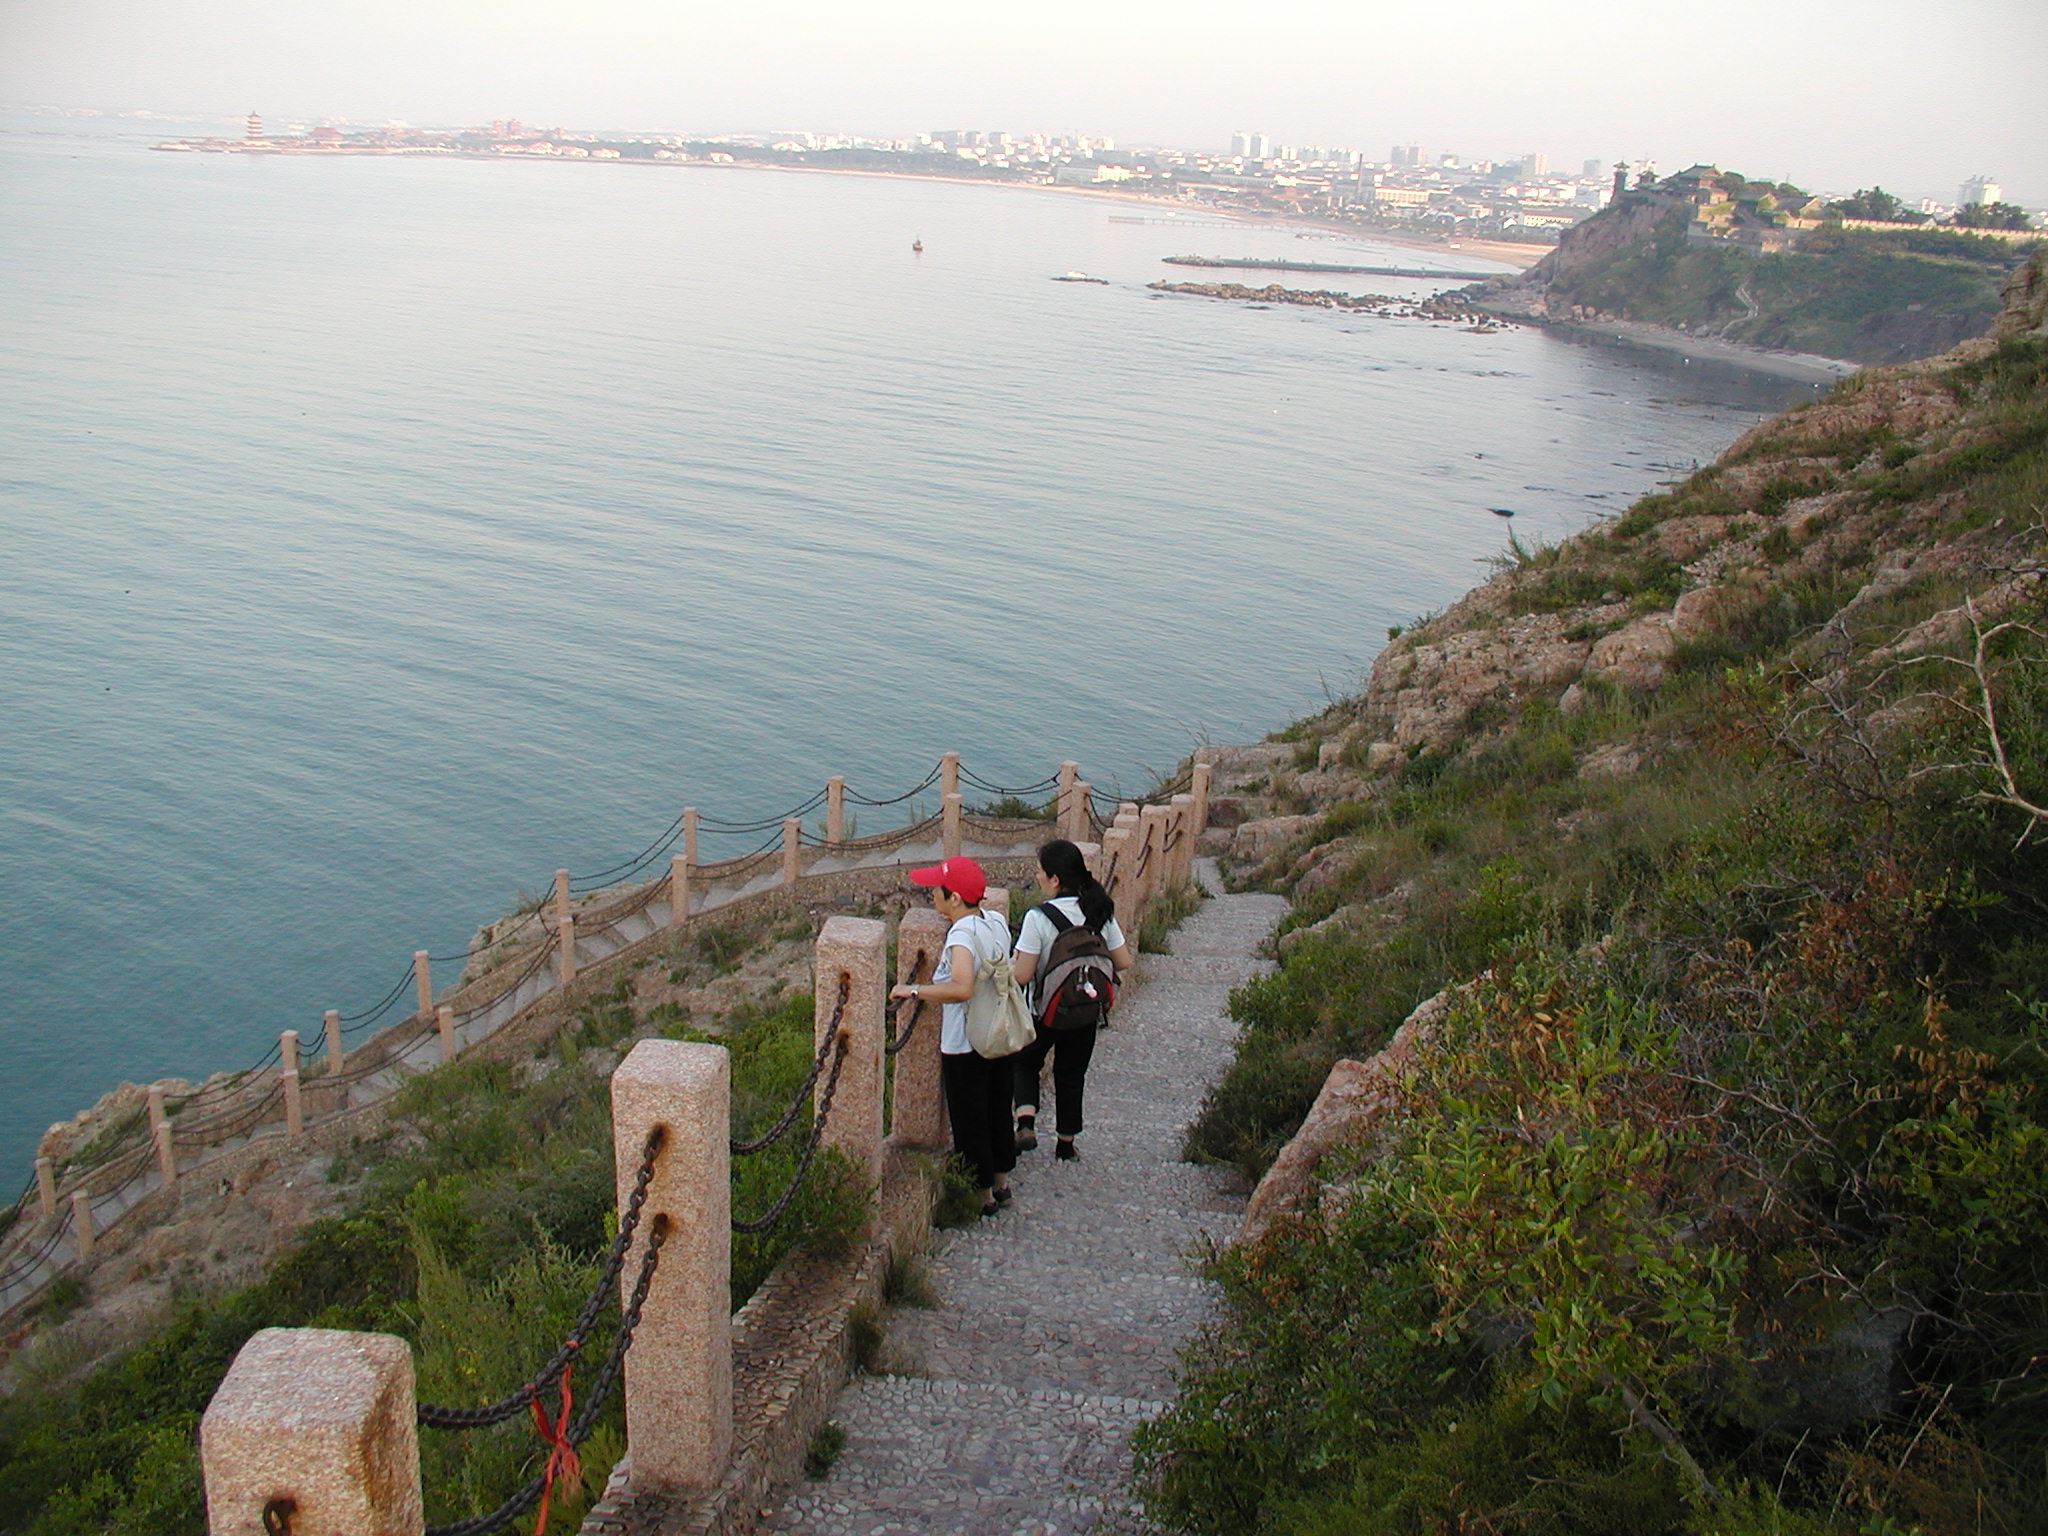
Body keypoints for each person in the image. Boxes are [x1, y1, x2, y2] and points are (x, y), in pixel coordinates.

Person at [888, 855, 1017, 1216]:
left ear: (955, 898)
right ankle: (1002, 1182)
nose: (932, 896)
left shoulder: (961, 935)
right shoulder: (995, 921)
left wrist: (913, 990)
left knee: (970, 1116)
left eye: (937, 891)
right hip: (999, 1033)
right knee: (997, 1107)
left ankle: (980, 1196)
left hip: (966, 1041)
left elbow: (960, 988)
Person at [1010, 839, 1131, 1162]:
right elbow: (1123, 961)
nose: (1037, 878)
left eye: (1040, 873)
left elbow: (1022, 975)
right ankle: (1065, 1144)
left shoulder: (1038, 917)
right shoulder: (1098, 909)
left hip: (1044, 1010)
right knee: (1071, 1072)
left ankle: (1026, 1123)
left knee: (1025, 1061)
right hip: (1085, 1008)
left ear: (1055, 879)